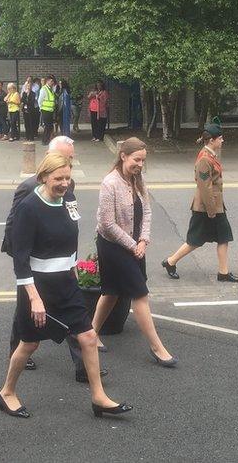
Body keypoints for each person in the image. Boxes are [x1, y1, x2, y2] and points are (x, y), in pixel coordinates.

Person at [0, 152, 131, 419]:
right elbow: (20, 260)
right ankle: (7, 392)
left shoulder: (68, 199)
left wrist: (73, 269)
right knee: (29, 344)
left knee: (89, 337)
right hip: (37, 287)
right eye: (58, 178)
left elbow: (71, 236)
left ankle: (98, 397)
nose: (64, 183)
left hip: (65, 284)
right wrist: (34, 298)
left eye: (68, 178)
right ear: (44, 177)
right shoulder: (28, 208)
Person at [0, 136, 106, 381]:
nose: (66, 179)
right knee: (27, 327)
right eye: (63, 162)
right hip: (36, 271)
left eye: (70, 161)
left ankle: (84, 371)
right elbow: (15, 224)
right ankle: (16, 358)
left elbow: (70, 225)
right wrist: (18, 256)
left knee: (84, 332)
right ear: (47, 168)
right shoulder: (29, 191)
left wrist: (73, 264)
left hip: (63, 272)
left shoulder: (68, 187)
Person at [92, 137, 177, 367]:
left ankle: (90, 334)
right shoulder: (109, 183)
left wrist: (143, 239)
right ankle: (157, 348)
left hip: (135, 245)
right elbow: (107, 224)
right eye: (136, 160)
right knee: (139, 293)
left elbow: (147, 211)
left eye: (143, 160)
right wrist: (133, 245)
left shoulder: (138, 180)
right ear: (123, 156)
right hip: (113, 246)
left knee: (111, 292)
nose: (140, 165)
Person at [162, 123, 238, 283]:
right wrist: (212, 211)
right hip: (206, 207)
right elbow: (205, 187)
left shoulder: (210, 155)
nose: (222, 141)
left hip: (214, 206)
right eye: (220, 138)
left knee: (223, 237)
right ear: (211, 140)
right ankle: (170, 261)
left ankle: (223, 273)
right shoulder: (205, 159)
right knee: (195, 240)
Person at [39, 74, 58, 145]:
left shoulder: (51, 89)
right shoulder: (44, 89)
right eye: (51, 81)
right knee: (48, 126)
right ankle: (44, 141)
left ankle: (47, 140)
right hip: (45, 110)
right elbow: (40, 100)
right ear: (48, 81)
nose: (52, 83)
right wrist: (41, 109)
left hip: (50, 110)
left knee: (50, 126)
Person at [21, 76, 40, 142]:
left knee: (31, 123)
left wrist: (26, 101)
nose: (27, 87)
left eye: (29, 86)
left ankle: (31, 137)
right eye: (26, 86)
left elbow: (32, 102)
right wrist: (26, 98)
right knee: (26, 124)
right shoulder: (24, 93)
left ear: (31, 87)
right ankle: (27, 136)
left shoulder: (33, 94)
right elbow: (22, 100)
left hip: (31, 110)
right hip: (25, 110)